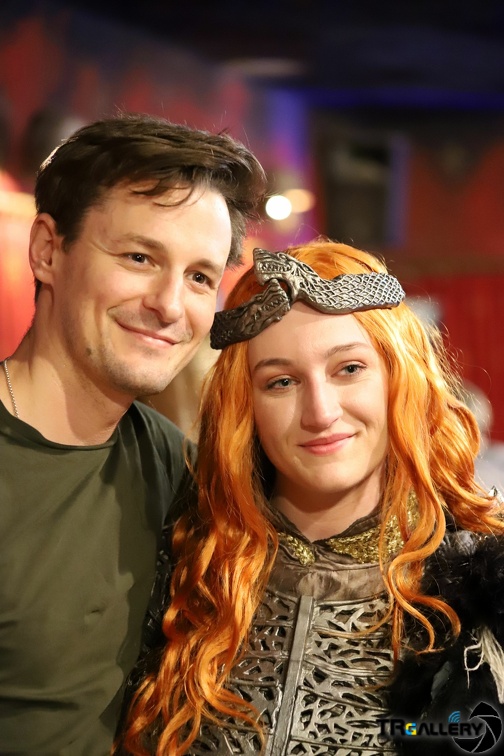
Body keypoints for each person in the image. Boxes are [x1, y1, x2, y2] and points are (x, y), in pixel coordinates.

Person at [116, 240, 504, 756]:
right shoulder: (186, 566)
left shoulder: (484, 589)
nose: (320, 412)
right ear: (245, 406)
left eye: (349, 369)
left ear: (398, 377)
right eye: (281, 381)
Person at [0, 112, 266, 755]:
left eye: (200, 277)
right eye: (140, 257)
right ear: (47, 250)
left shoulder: (176, 467)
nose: (169, 305)